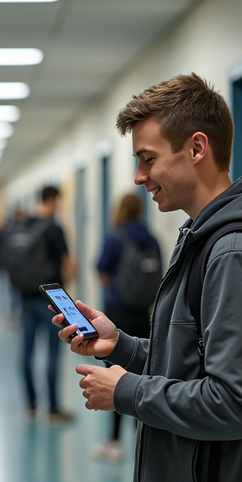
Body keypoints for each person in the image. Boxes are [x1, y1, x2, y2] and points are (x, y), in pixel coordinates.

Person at [55, 73, 242, 482]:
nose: (137, 177)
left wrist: (125, 390)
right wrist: (122, 346)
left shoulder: (233, 253)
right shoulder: (204, 237)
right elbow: (200, 358)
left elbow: (238, 403)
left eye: (148, 159)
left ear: (196, 148)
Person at [91, 192, 162, 462]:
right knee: (144, 374)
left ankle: (114, 441)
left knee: (115, 377)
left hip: (118, 314)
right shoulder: (152, 238)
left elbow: (102, 271)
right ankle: (140, 440)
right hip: (145, 314)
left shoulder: (115, 236)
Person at [14, 186, 76, 423]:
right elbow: (68, 263)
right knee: (52, 351)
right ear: (52, 200)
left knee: (26, 351)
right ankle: (52, 408)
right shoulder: (54, 228)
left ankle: (30, 404)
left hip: (25, 296)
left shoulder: (23, 224)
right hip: (51, 301)